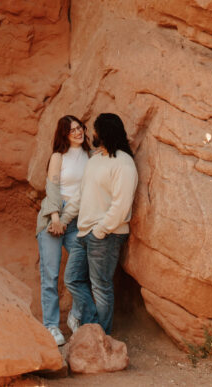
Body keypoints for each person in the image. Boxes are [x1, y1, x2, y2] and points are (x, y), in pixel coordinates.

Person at [62, 112, 137, 335]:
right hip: (84, 233)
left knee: (101, 286)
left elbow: (121, 204)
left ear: (103, 132)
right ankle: (93, 326)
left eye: (94, 129)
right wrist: (65, 219)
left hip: (106, 234)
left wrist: (101, 231)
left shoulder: (124, 163)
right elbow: (81, 194)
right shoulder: (95, 160)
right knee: (73, 279)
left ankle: (101, 335)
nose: (91, 133)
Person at [35, 115, 91, 346]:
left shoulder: (90, 156)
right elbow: (52, 188)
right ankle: (51, 326)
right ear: (64, 135)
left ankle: (76, 316)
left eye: (79, 128)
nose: (78, 133)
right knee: (50, 275)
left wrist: (67, 219)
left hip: (77, 218)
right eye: (72, 131)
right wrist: (56, 218)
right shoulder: (58, 157)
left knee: (83, 266)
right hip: (53, 216)